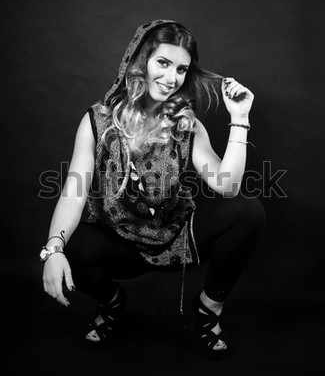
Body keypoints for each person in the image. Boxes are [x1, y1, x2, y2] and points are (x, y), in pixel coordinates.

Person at [41, 19, 265, 358]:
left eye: (181, 69)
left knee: (248, 211)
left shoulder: (186, 124)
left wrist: (240, 117)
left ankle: (209, 308)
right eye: (163, 63)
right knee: (72, 243)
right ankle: (112, 303)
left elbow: (228, 185)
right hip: (121, 243)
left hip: (175, 238)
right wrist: (53, 249)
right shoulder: (97, 121)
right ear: (141, 61)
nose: (172, 77)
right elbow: (75, 190)